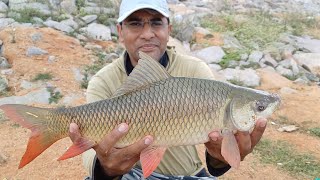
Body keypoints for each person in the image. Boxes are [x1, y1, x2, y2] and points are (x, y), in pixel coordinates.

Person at [69, 0, 267, 179]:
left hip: (187, 174)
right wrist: (106, 169)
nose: (147, 34)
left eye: (156, 22)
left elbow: (216, 153)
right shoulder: (103, 81)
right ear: (120, 31)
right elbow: (90, 155)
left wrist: (220, 158)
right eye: (135, 23)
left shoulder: (195, 70)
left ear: (169, 29)